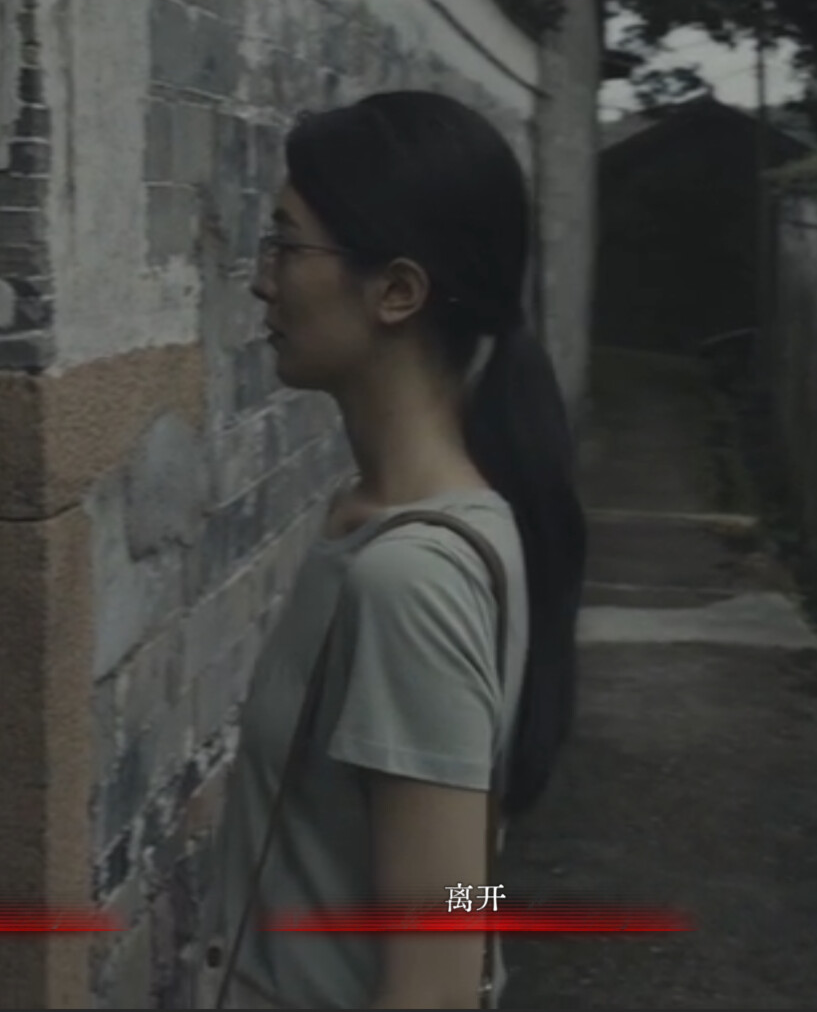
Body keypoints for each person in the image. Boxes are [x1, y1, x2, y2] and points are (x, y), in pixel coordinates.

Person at [201, 91, 588, 1009]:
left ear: (398, 292)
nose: (262, 281)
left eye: (288, 247)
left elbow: (435, 988)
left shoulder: (411, 578)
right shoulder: (382, 519)